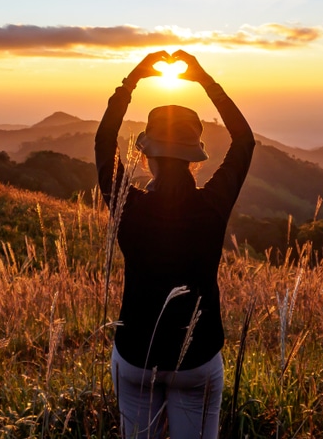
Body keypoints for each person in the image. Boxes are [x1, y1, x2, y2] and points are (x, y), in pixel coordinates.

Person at [95, 49, 255, 439]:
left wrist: (131, 81)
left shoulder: (126, 207)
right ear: (193, 159)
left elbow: (103, 142)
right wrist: (204, 79)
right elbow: (245, 141)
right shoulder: (212, 206)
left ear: (148, 156)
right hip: (196, 358)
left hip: (135, 356)